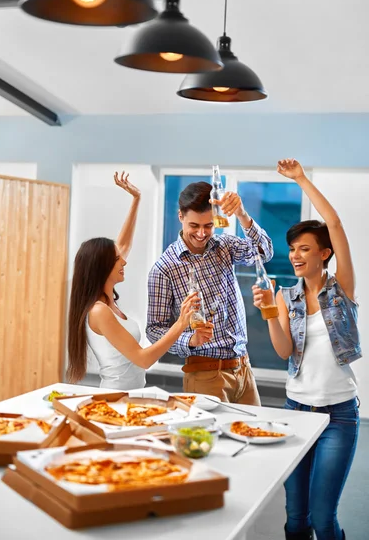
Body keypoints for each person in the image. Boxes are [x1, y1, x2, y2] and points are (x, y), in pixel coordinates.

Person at [252, 159, 361, 540]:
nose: (295, 255)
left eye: (304, 249)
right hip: (296, 411)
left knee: (321, 517)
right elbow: (284, 352)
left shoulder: (341, 288)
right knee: (295, 518)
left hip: (339, 418)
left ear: (324, 254)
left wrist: (300, 179)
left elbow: (335, 225)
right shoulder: (286, 296)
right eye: (292, 249)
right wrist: (268, 311)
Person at [67, 172, 199, 390]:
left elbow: (124, 245)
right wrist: (180, 324)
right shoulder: (99, 311)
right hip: (114, 398)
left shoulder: (107, 303)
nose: (124, 262)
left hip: (131, 396)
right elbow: (144, 359)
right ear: (102, 267)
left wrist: (137, 199)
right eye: (118, 260)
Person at [146, 180, 274, 404]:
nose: (202, 233)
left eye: (208, 225)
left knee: (254, 434)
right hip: (204, 374)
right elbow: (154, 330)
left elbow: (264, 253)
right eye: (194, 225)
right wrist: (191, 340)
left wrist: (242, 214)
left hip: (244, 369)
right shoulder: (164, 268)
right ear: (180, 217)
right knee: (211, 440)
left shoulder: (224, 246)